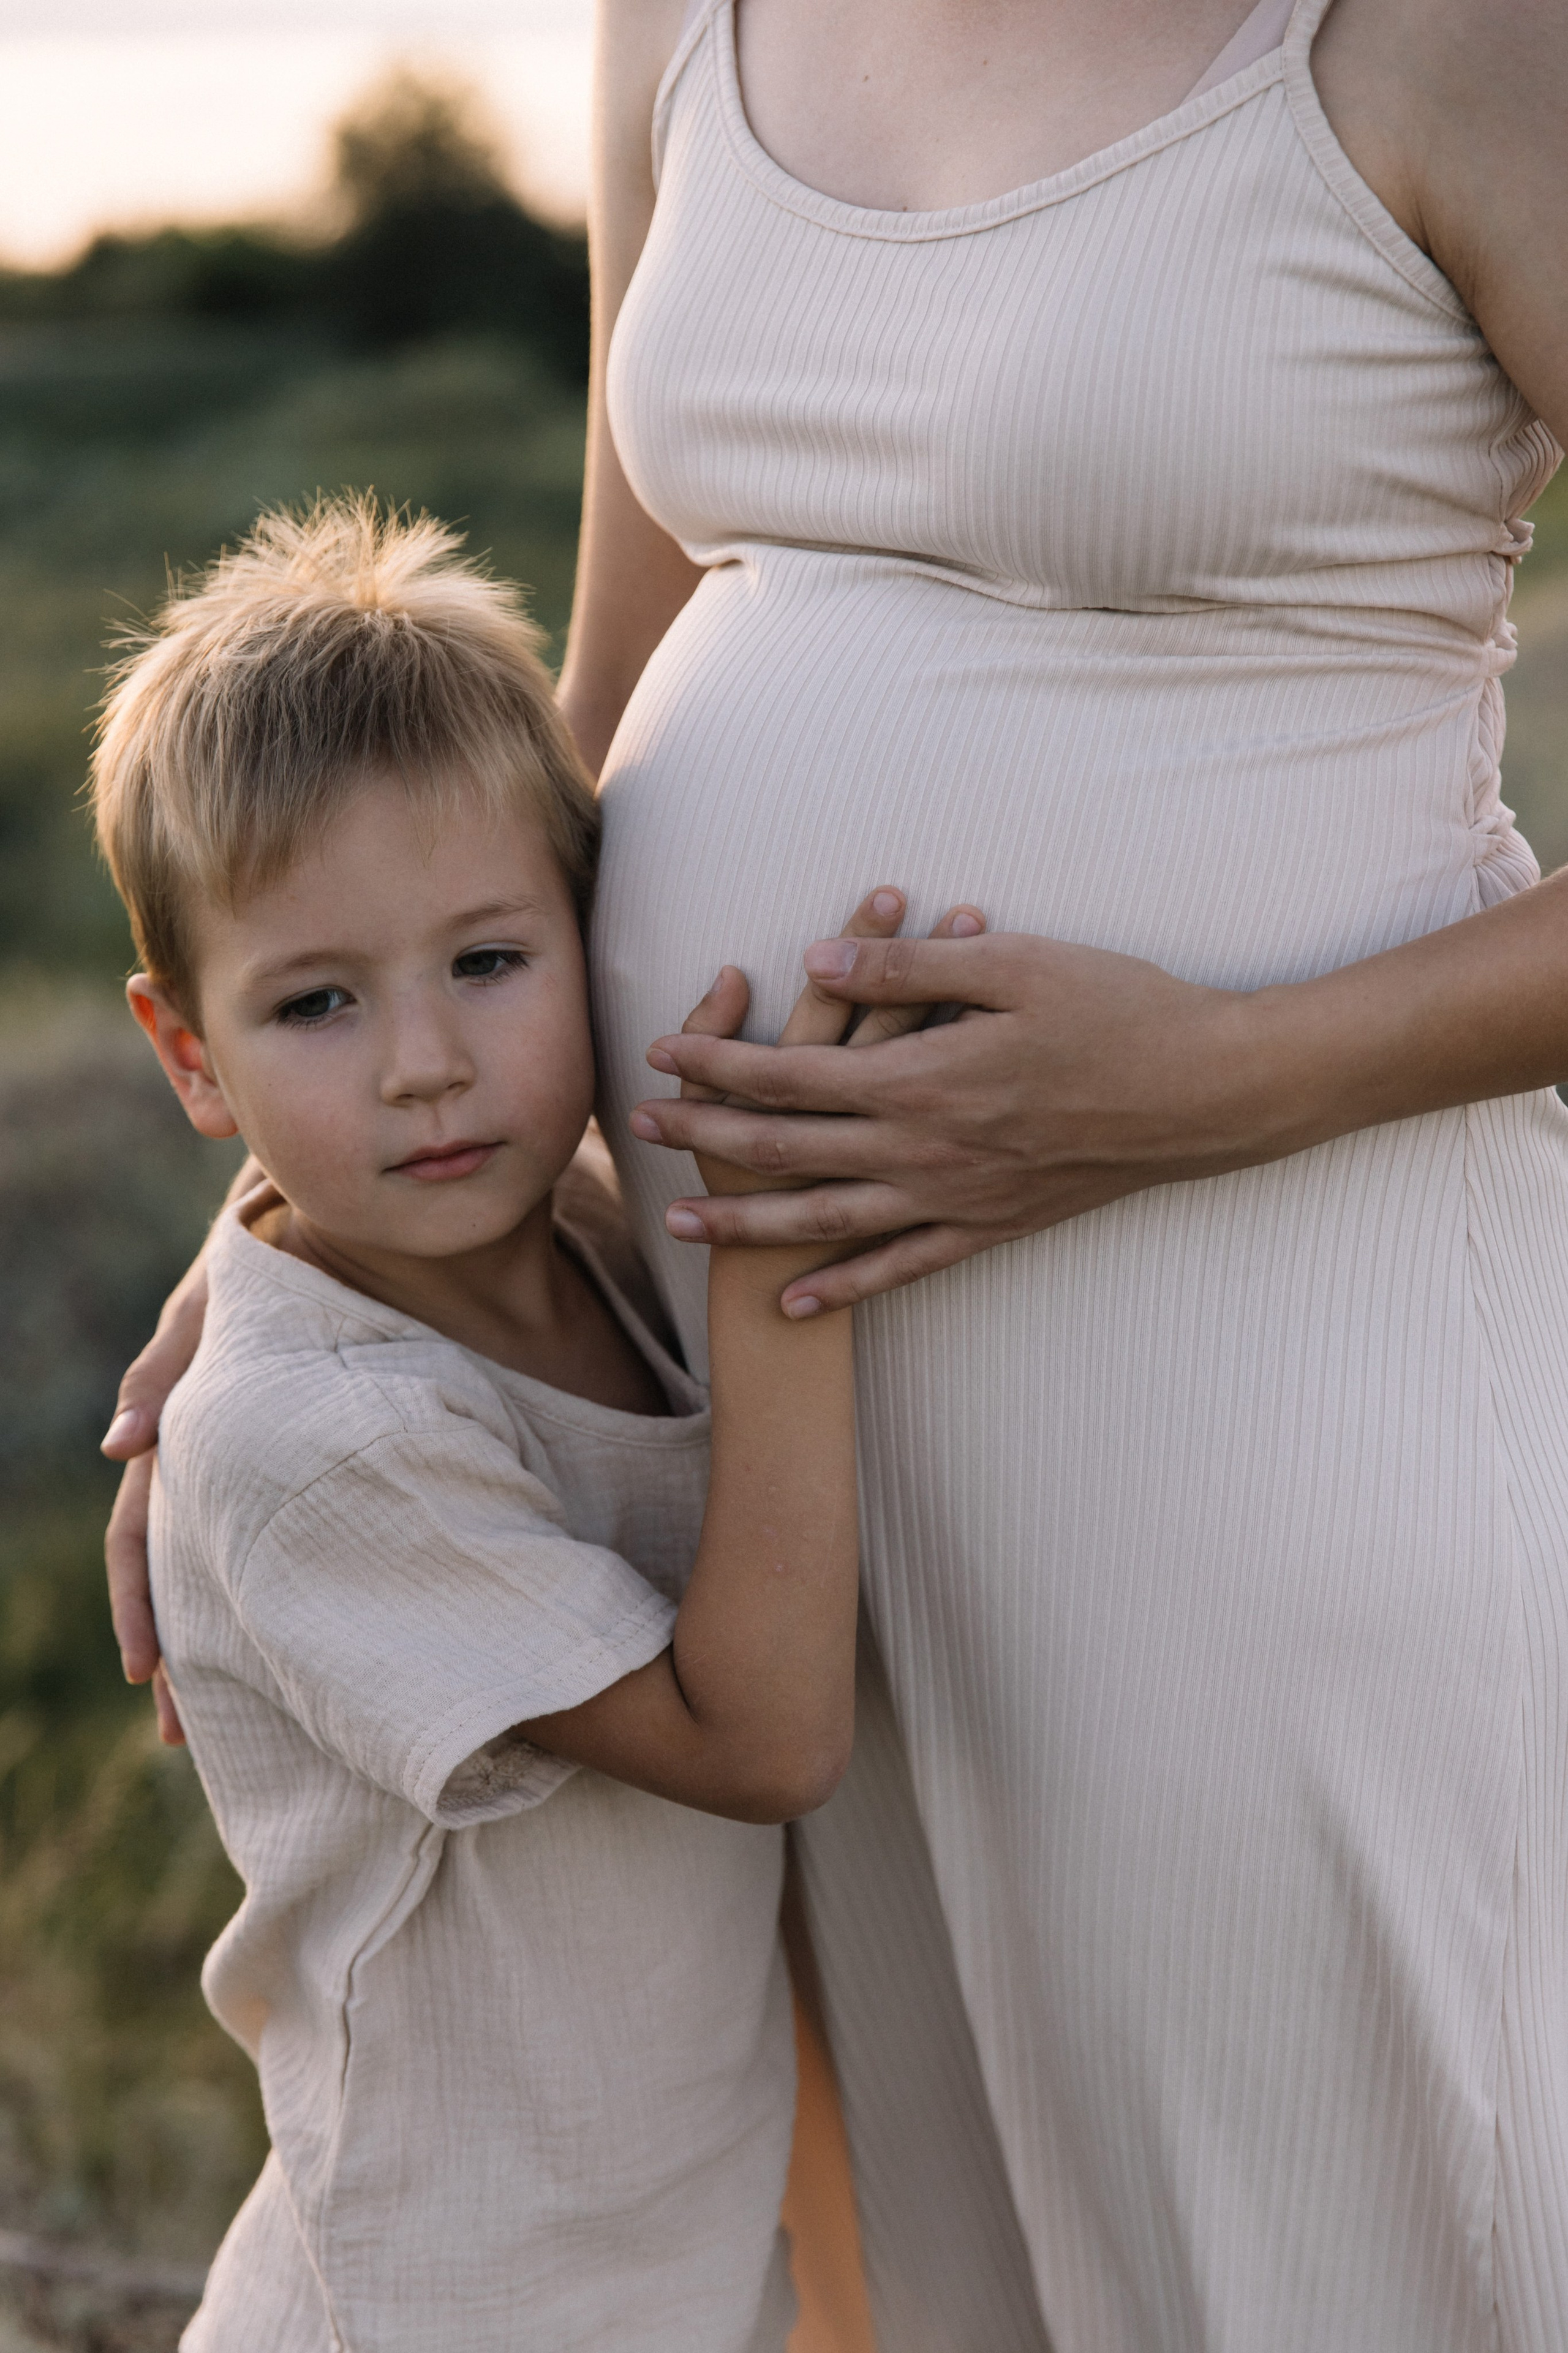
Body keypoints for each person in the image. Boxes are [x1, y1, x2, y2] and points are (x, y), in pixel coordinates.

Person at [105, 0, 1568, 2345]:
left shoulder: (1455, 40)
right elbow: (594, 711)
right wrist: (303, 1252)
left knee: (1343, 2203)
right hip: (793, 1458)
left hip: (1277, 1332)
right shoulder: (681, 15)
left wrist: (1214, 1075)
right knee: (962, 2241)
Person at [92, 494, 969, 2350]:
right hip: (449, 2302)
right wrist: (776, 1242)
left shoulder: (574, 1216)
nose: (423, 1063)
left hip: (667, 2272)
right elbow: (765, 1735)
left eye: (489, 963)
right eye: (316, 1004)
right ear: (192, 1057)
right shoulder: (307, 1439)